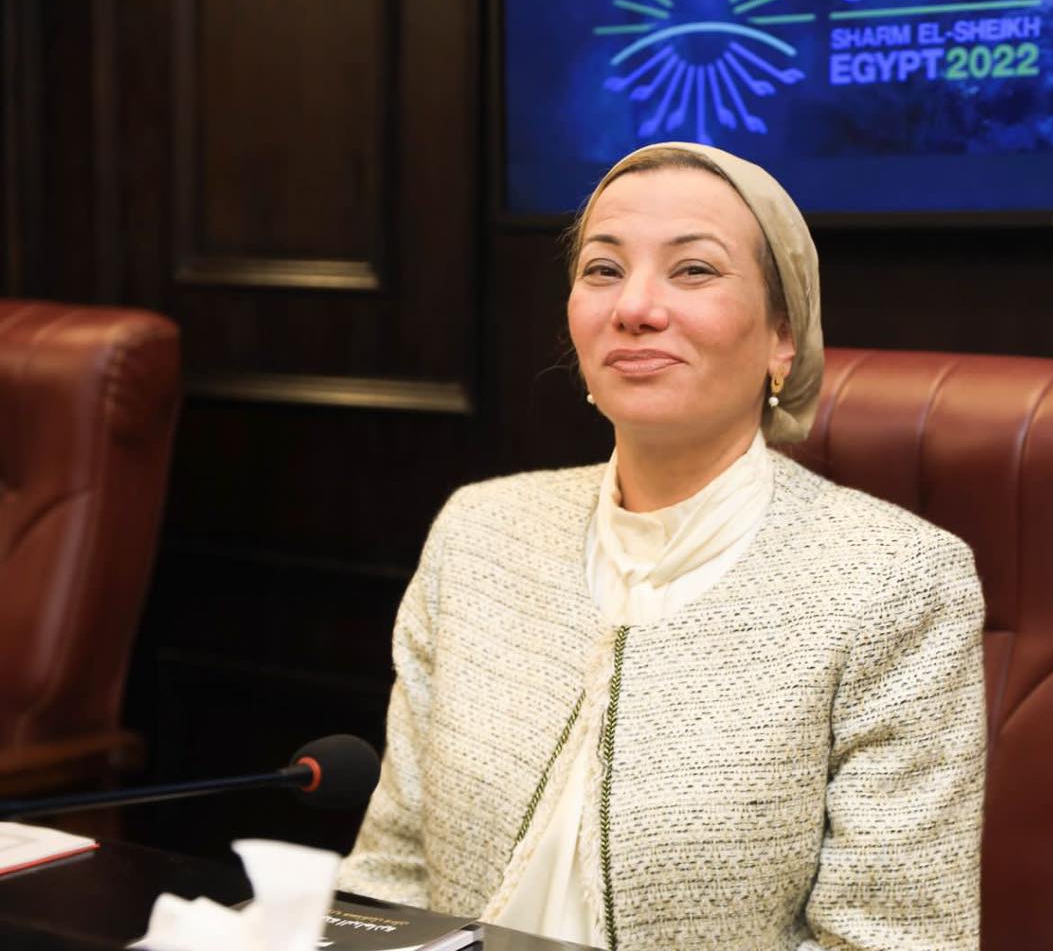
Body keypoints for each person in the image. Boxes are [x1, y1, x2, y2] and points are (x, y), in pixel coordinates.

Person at [337, 142, 986, 950]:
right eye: (603, 270)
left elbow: (892, 940)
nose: (634, 307)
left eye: (694, 271)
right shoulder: (479, 533)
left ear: (783, 337)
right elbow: (389, 880)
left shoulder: (897, 583)